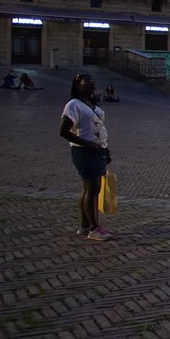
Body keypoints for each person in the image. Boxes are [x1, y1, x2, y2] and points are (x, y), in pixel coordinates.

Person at [58, 73, 113, 241]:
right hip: (84, 151)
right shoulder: (73, 105)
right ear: (77, 85)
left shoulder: (90, 103)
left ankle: (84, 226)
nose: (90, 85)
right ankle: (95, 228)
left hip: (98, 150)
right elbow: (64, 132)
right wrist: (87, 143)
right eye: (86, 82)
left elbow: (98, 128)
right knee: (93, 188)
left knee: (89, 188)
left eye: (92, 82)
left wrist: (105, 149)